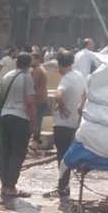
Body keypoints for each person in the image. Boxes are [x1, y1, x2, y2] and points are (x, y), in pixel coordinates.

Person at [44, 51, 86, 198]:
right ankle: (65, 186)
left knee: (62, 157)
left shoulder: (66, 79)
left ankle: (61, 187)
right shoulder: (79, 76)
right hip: (74, 122)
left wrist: (61, 106)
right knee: (68, 155)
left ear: (61, 65)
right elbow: (85, 94)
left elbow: (58, 95)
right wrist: (79, 110)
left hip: (62, 123)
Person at [0, 53, 39, 198]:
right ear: (29, 64)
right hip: (19, 117)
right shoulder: (26, 78)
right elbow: (30, 102)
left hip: (5, 116)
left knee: (6, 151)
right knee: (18, 152)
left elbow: (1, 96)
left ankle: (4, 185)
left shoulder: (6, 76)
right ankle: (11, 187)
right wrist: (35, 124)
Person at [30, 52, 49, 135]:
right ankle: (36, 139)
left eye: (32, 60)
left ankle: (35, 139)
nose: (30, 62)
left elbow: (32, 85)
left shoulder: (37, 70)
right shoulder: (41, 68)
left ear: (37, 60)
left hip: (38, 99)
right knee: (38, 120)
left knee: (35, 122)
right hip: (42, 99)